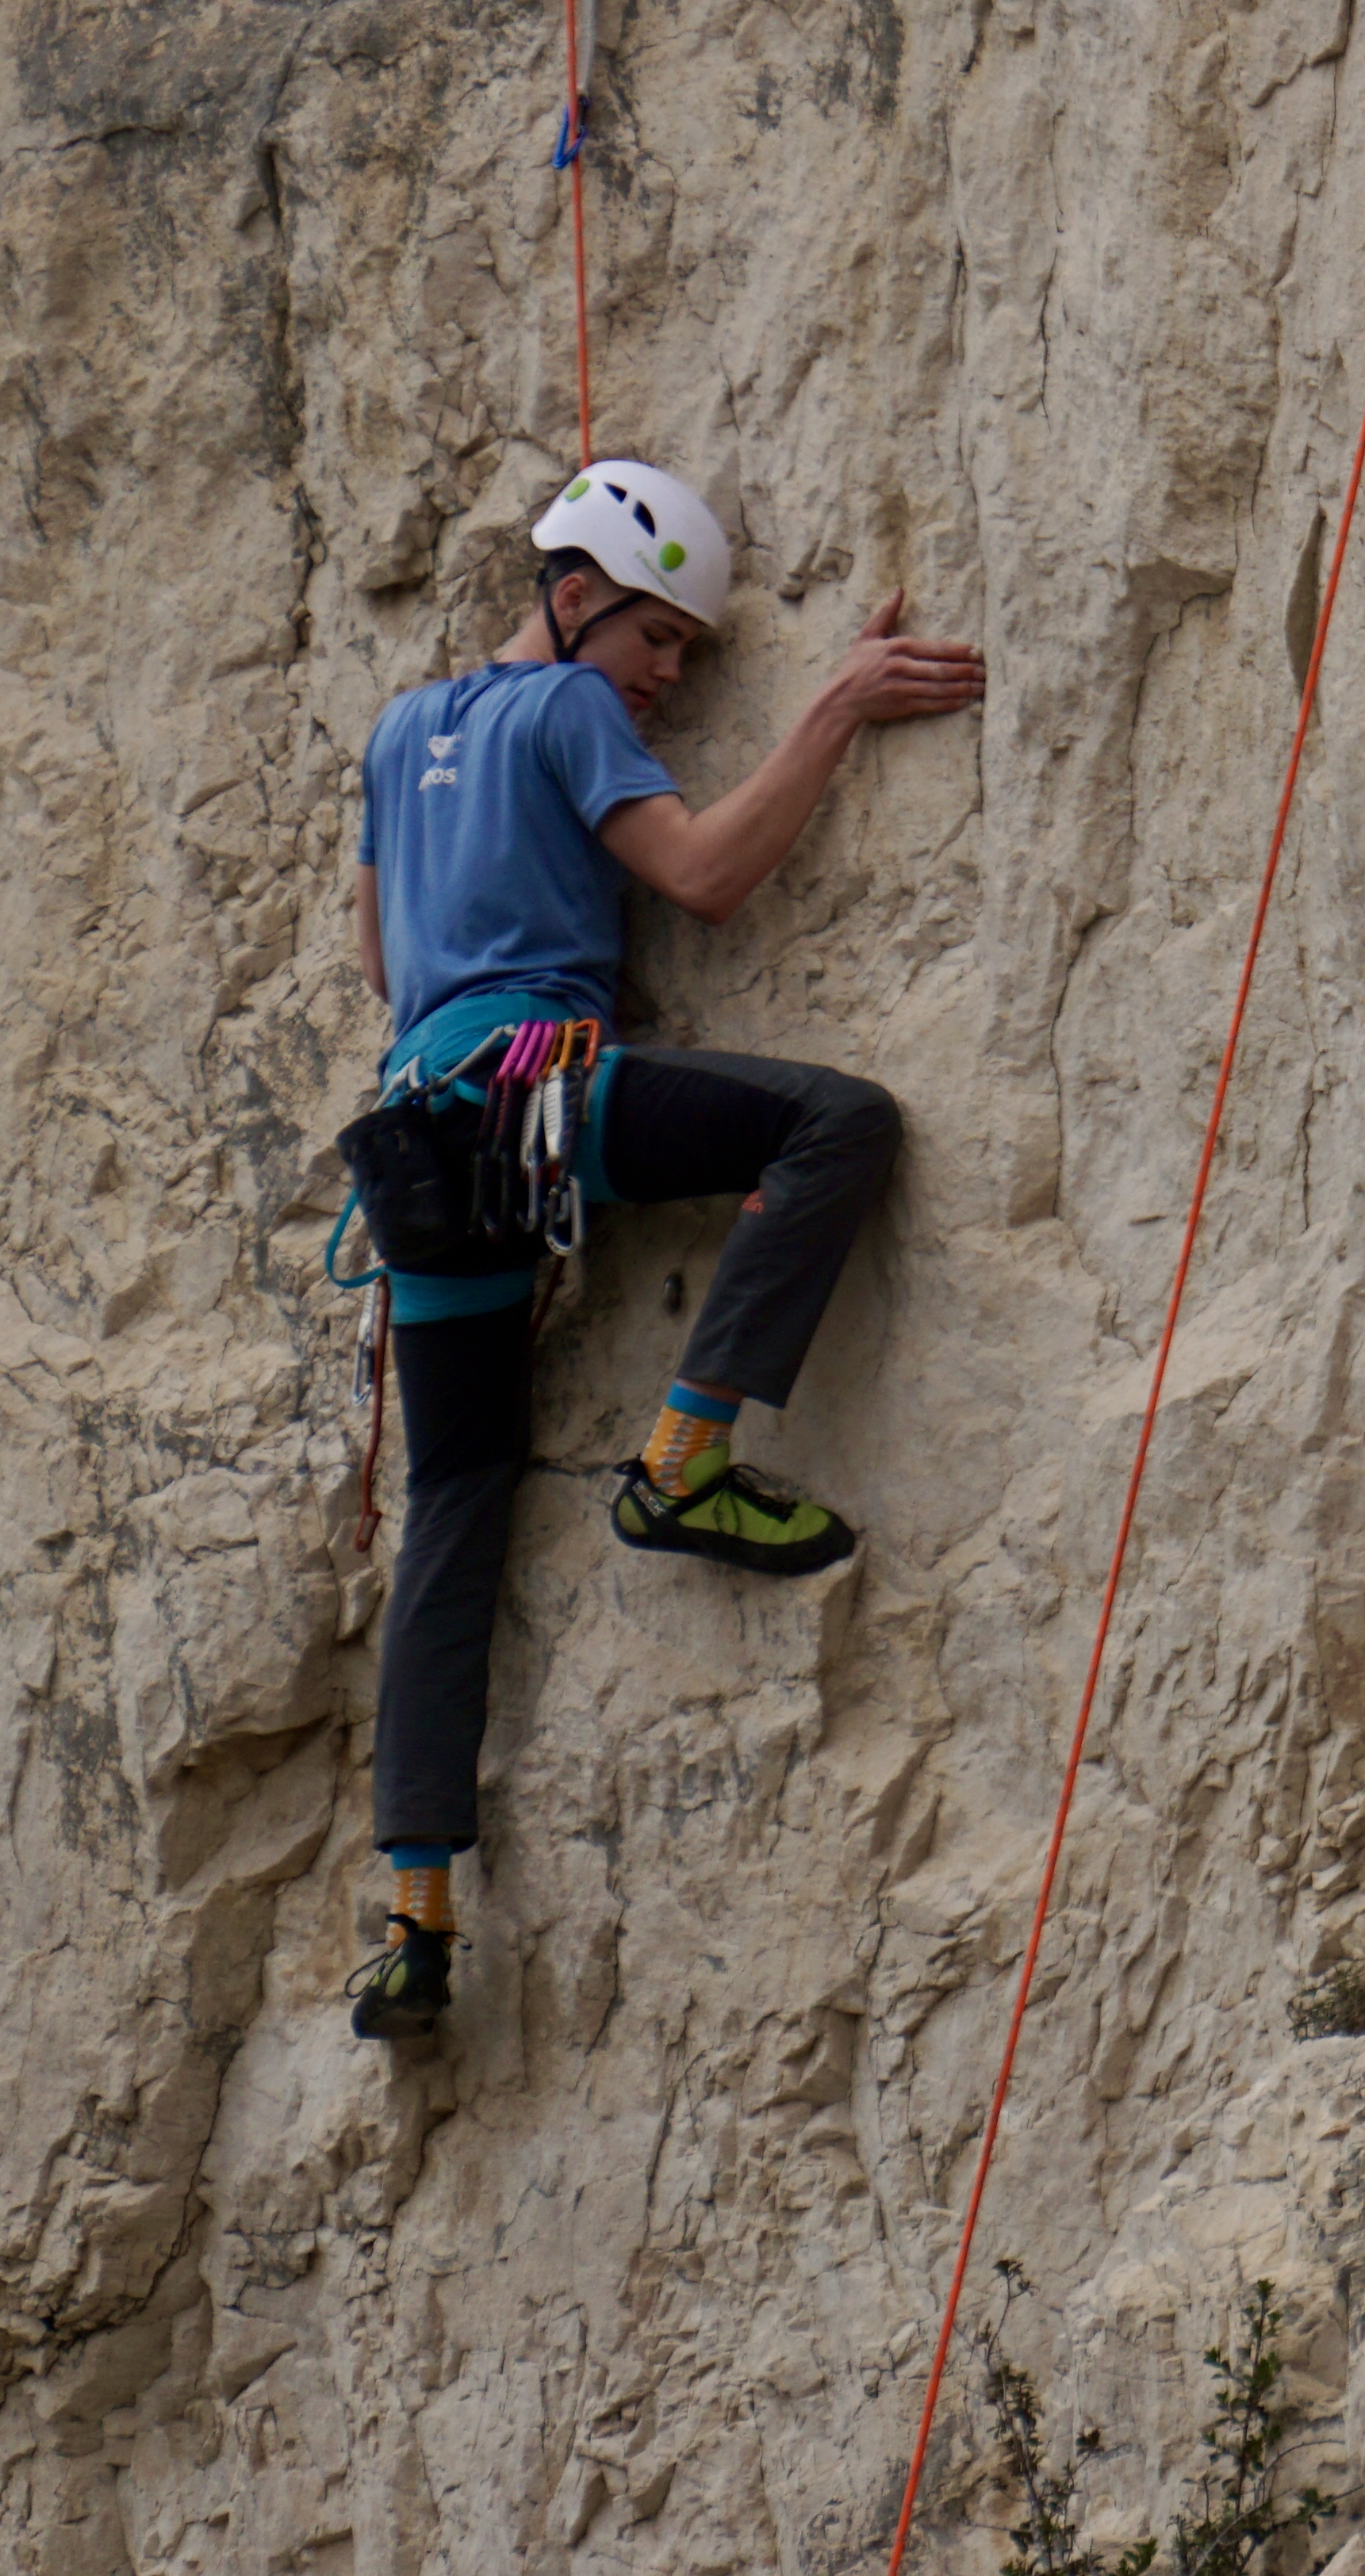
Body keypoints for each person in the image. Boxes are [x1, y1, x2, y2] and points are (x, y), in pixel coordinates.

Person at [339, 457, 985, 2040]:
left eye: (686, 650)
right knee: (837, 1122)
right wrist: (832, 707)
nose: (669, 670)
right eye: (658, 634)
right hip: (537, 1095)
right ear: (575, 593)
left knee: (457, 1501)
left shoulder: (393, 730)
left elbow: (378, 956)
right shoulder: (567, 713)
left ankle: (416, 1923)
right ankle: (685, 1454)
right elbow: (701, 875)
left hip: (417, 1139)